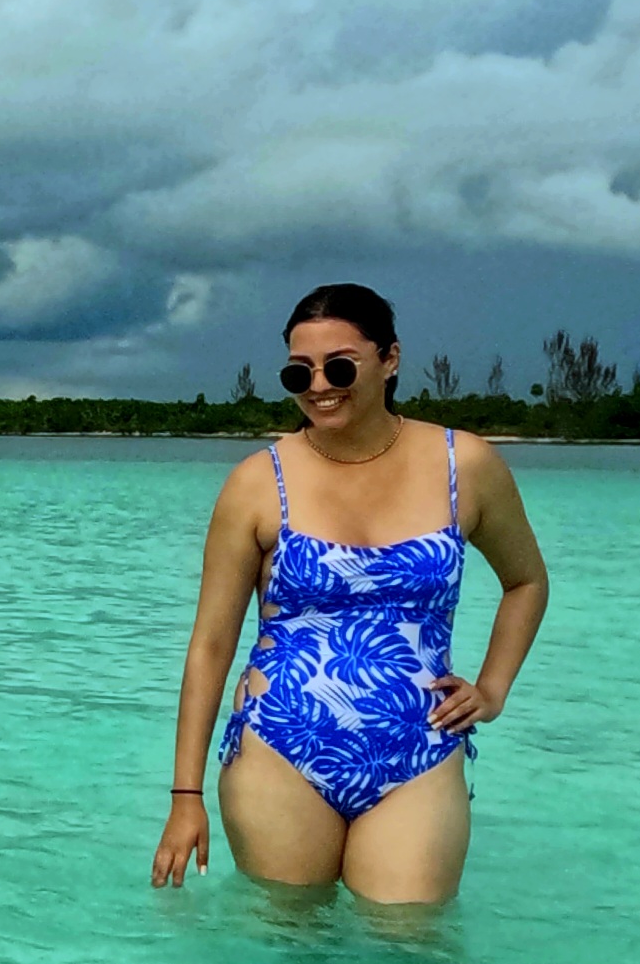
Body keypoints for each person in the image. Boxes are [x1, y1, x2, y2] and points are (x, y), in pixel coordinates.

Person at [153, 281, 548, 905]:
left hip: (417, 751)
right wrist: (184, 797)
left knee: (410, 949)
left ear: (390, 359)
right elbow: (210, 644)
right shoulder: (258, 482)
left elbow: (526, 582)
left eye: (339, 366)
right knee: (289, 953)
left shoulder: (464, 466)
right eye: (298, 373)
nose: (319, 386)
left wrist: (493, 689)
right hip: (277, 748)